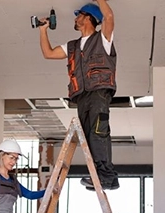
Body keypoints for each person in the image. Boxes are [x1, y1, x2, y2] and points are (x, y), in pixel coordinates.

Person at [38, 0, 119, 191]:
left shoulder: (103, 40)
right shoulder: (72, 46)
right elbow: (48, 54)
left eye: (79, 14)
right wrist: (43, 31)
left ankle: (105, 176)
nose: (76, 18)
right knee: (89, 138)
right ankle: (105, 177)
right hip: (81, 96)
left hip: (99, 92)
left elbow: (109, 17)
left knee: (99, 133)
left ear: (88, 18)